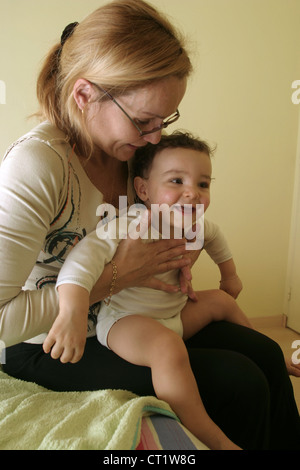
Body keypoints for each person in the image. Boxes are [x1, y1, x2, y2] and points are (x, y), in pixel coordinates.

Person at [0, 0, 299, 450]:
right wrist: (119, 277)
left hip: (133, 316)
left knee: (262, 352)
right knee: (238, 381)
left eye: (166, 120)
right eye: (144, 121)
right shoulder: (39, 164)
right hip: (47, 343)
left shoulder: (132, 154)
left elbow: (177, 221)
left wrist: (178, 256)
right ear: (84, 96)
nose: (156, 136)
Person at [44, 131, 254, 450]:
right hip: (125, 323)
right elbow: (79, 263)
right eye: (176, 181)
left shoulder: (197, 224)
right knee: (168, 349)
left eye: (203, 184)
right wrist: (71, 313)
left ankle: (264, 350)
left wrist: (230, 276)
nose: (193, 194)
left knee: (221, 301)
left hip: (173, 314)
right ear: (143, 189)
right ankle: (211, 436)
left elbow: (216, 239)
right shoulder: (130, 224)